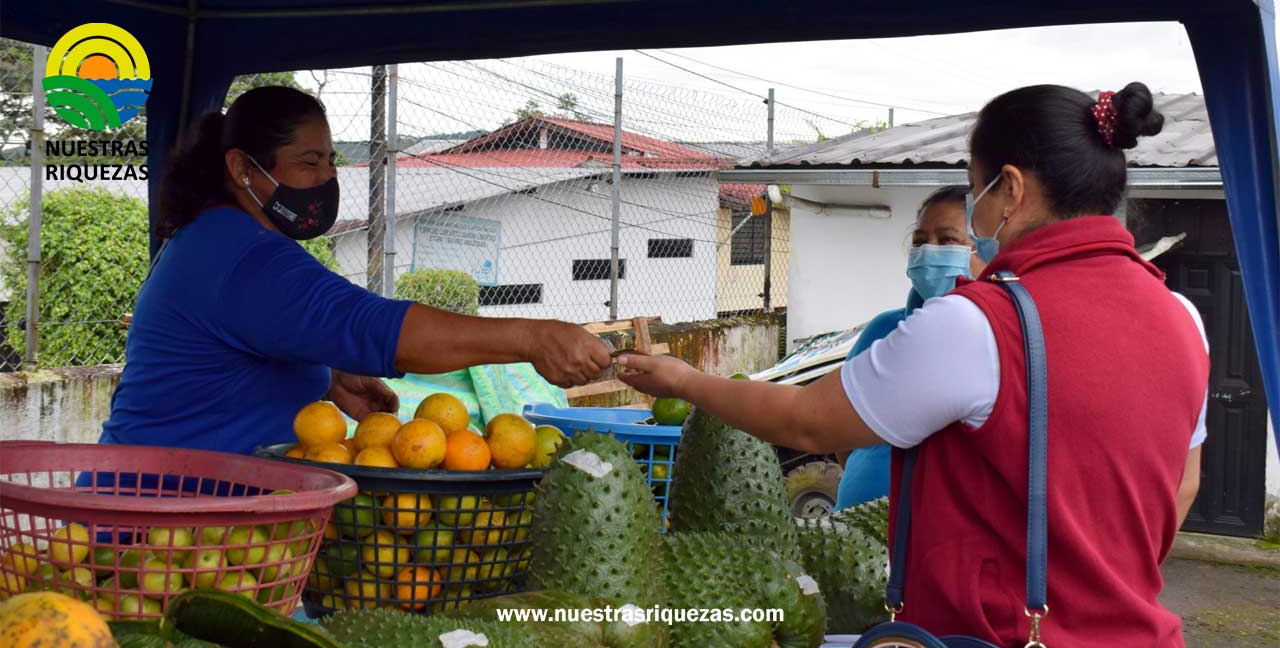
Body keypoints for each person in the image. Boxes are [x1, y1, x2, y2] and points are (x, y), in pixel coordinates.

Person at [619, 82, 1209, 647]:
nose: (974, 216)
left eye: (973, 188)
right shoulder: (1183, 316)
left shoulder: (977, 323)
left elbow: (805, 421)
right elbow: (1182, 483)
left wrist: (683, 380)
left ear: (1010, 188)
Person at [100, 86, 611, 457]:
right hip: (159, 521)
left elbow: (226, 356)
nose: (325, 180)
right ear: (242, 169)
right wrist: (533, 337)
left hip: (192, 511)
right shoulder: (245, 258)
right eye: (307, 163)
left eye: (329, 162)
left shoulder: (211, 237)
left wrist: (326, 375)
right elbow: (375, 329)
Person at [833, 184, 982, 510]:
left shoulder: (996, 338)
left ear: (984, 249)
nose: (929, 251)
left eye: (947, 240)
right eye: (919, 241)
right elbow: (839, 429)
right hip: (851, 530)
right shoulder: (884, 328)